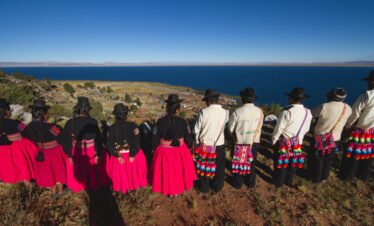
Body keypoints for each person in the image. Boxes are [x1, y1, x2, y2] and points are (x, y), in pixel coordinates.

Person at [151, 94, 196, 196]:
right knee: (178, 172)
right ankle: (176, 190)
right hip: (179, 151)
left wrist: (154, 149)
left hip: (163, 151)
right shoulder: (183, 122)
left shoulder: (160, 122)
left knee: (167, 173)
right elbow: (188, 139)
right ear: (178, 109)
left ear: (167, 108)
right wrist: (189, 146)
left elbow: (155, 139)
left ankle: (169, 190)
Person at [59, 97, 107, 192]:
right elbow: (98, 139)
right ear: (88, 109)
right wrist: (98, 153)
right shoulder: (93, 122)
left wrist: (69, 154)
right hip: (91, 151)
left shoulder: (70, 123)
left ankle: (77, 189)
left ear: (77, 109)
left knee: (77, 170)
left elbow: (63, 139)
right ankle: (91, 189)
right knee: (90, 171)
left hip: (76, 151)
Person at [22, 99, 67, 194]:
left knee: (49, 175)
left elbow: (24, 135)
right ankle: (60, 193)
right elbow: (63, 137)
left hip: (40, 153)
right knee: (58, 173)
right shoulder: (51, 127)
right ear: (44, 114)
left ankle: (52, 193)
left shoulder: (29, 127)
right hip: (55, 153)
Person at [309, 88, 352, 183]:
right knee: (328, 160)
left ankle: (315, 178)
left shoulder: (324, 106)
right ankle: (324, 177)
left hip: (320, 137)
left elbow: (310, 114)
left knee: (317, 159)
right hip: (335, 138)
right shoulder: (347, 108)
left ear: (331, 96)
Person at [272, 88, 312, 187]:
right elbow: (307, 129)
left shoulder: (287, 111)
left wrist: (274, 140)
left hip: (284, 141)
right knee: (293, 162)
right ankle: (289, 180)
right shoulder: (308, 112)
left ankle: (279, 182)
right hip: (297, 142)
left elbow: (279, 128)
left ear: (291, 98)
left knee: (281, 162)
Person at [106, 103, 148, 193]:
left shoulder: (111, 128)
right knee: (135, 173)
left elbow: (109, 145)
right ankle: (134, 188)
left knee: (120, 175)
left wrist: (118, 156)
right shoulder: (133, 126)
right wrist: (132, 155)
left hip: (119, 156)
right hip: (133, 156)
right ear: (126, 115)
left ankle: (124, 189)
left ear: (116, 116)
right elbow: (137, 142)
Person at [341, 70, 374, 181]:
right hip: (372, 131)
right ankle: (363, 175)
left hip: (360, 129)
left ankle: (348, 175)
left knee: (353, 152)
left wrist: (347, 125)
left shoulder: (366, 96)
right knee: (368, 153)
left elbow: (355, 113)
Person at [194, 89, 229, 193]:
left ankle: (204, 187)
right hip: (219, 144)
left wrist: (196, 141)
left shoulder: (203, 112)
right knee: (219, 166)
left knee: (203, 167)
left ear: (208, 101)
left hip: (205, 145)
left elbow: (196, 130)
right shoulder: (226, 113)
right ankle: (217, 186)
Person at [228, 87, 263, 189]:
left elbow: (230, 128)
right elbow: (260, 126)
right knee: (251, 162)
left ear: (243, 99)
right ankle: (250, 182)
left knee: (238, 163)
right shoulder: (259, 111)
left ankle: (237, 183)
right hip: (253, 141)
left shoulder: (237, 112)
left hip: (239, 141)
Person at [0, 98, 35, 184]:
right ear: (6, 111)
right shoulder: (15, 123)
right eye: (9, 109)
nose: (10, 111)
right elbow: (26, 132)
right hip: (16, 149)